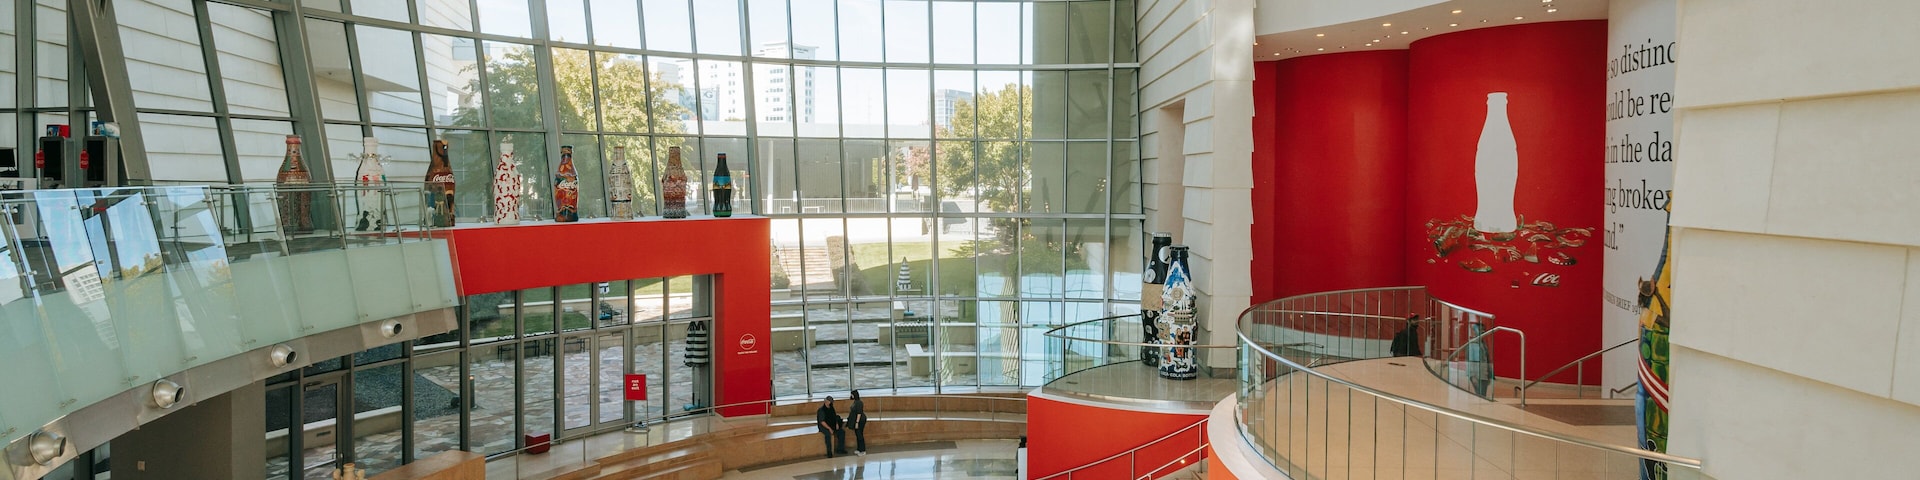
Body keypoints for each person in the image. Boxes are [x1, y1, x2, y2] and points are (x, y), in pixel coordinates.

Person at [848, 390, 869, 456]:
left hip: (860, 421)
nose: (851, 396)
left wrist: (857, 422)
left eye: (852, 395)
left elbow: (859, 413)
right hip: (856, 420)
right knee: (857, 434)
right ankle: (859, 448)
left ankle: (863, 450)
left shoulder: (859, 403)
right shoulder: (855, 402)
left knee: (860, 435)